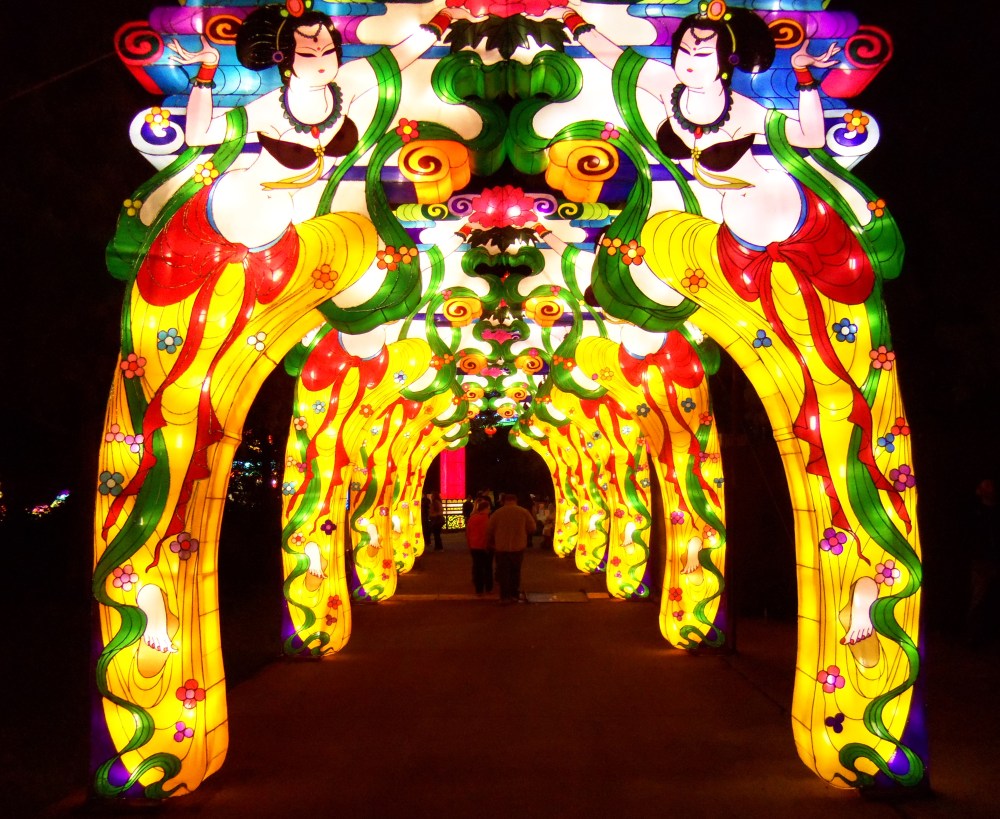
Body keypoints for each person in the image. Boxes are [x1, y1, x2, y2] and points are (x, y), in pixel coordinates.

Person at [486, 493, 538, 604]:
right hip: (518, 546)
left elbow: (489, 530)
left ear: (504, 501)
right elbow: (533, 528)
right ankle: (514, 594)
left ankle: (504, 597)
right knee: (515, 571)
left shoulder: (497, 513)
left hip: (501, 547)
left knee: (503, 572)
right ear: (515, 500)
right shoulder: (523, 512)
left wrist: (491, 542)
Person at [465, 498, 494, 594]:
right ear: (486, 508)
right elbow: (488, 533)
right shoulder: (488, 519)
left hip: (474, 546)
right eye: (489, 508)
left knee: (478, 568)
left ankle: (479, 589)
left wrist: (469, 544)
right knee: (488, 567)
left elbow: (468, 533)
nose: (490, 510)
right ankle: (488, 587)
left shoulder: (472, 518)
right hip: (486, 546)